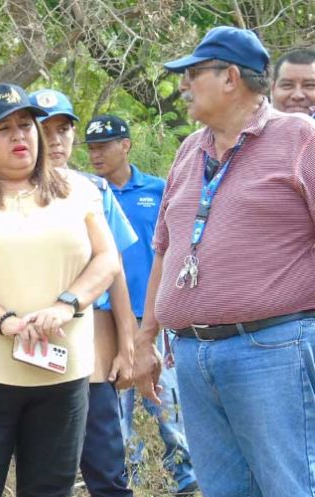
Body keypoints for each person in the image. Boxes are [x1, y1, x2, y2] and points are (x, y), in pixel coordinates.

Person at [134, 26, 315, 497]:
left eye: (194, 74)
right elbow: (165, 248)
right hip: (193, 356)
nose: (183, 85)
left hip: (274, 349)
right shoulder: (189, 150)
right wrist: (145, 337)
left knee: (291, 487)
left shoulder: (300, 137)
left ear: (231, 77)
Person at [0, 83, 120, 497]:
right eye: (3, 128)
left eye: (26, 124)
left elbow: (106, 261)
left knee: (50, 489)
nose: (19, 135)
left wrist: (67, 305)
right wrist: (4, 321)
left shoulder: (77, 189)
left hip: (61, 376)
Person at [29, 88, 137, 497]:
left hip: (91, 336)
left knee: (105, 463)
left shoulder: (95, 190)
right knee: (43, 466)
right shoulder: (2, 192)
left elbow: (116, 272)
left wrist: (127, 344)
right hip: (30, 337)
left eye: (64, 129)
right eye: (45, 130)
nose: (56, 141)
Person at [84, 114, 198, 496]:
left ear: (126, 145)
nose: (95, 155)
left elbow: (175, 249)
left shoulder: (158, 190)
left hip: (150, 317)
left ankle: (185, 476)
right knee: (116, 408)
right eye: (91, 148)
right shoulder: (89, 193)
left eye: (103, 146)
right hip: (104, 319)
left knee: (164, 400)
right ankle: (126, 474)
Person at [271, 48, 315, 115]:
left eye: (309, 85)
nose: (297, 95)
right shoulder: (252, 124)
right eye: (287, 85)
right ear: (273, 89)